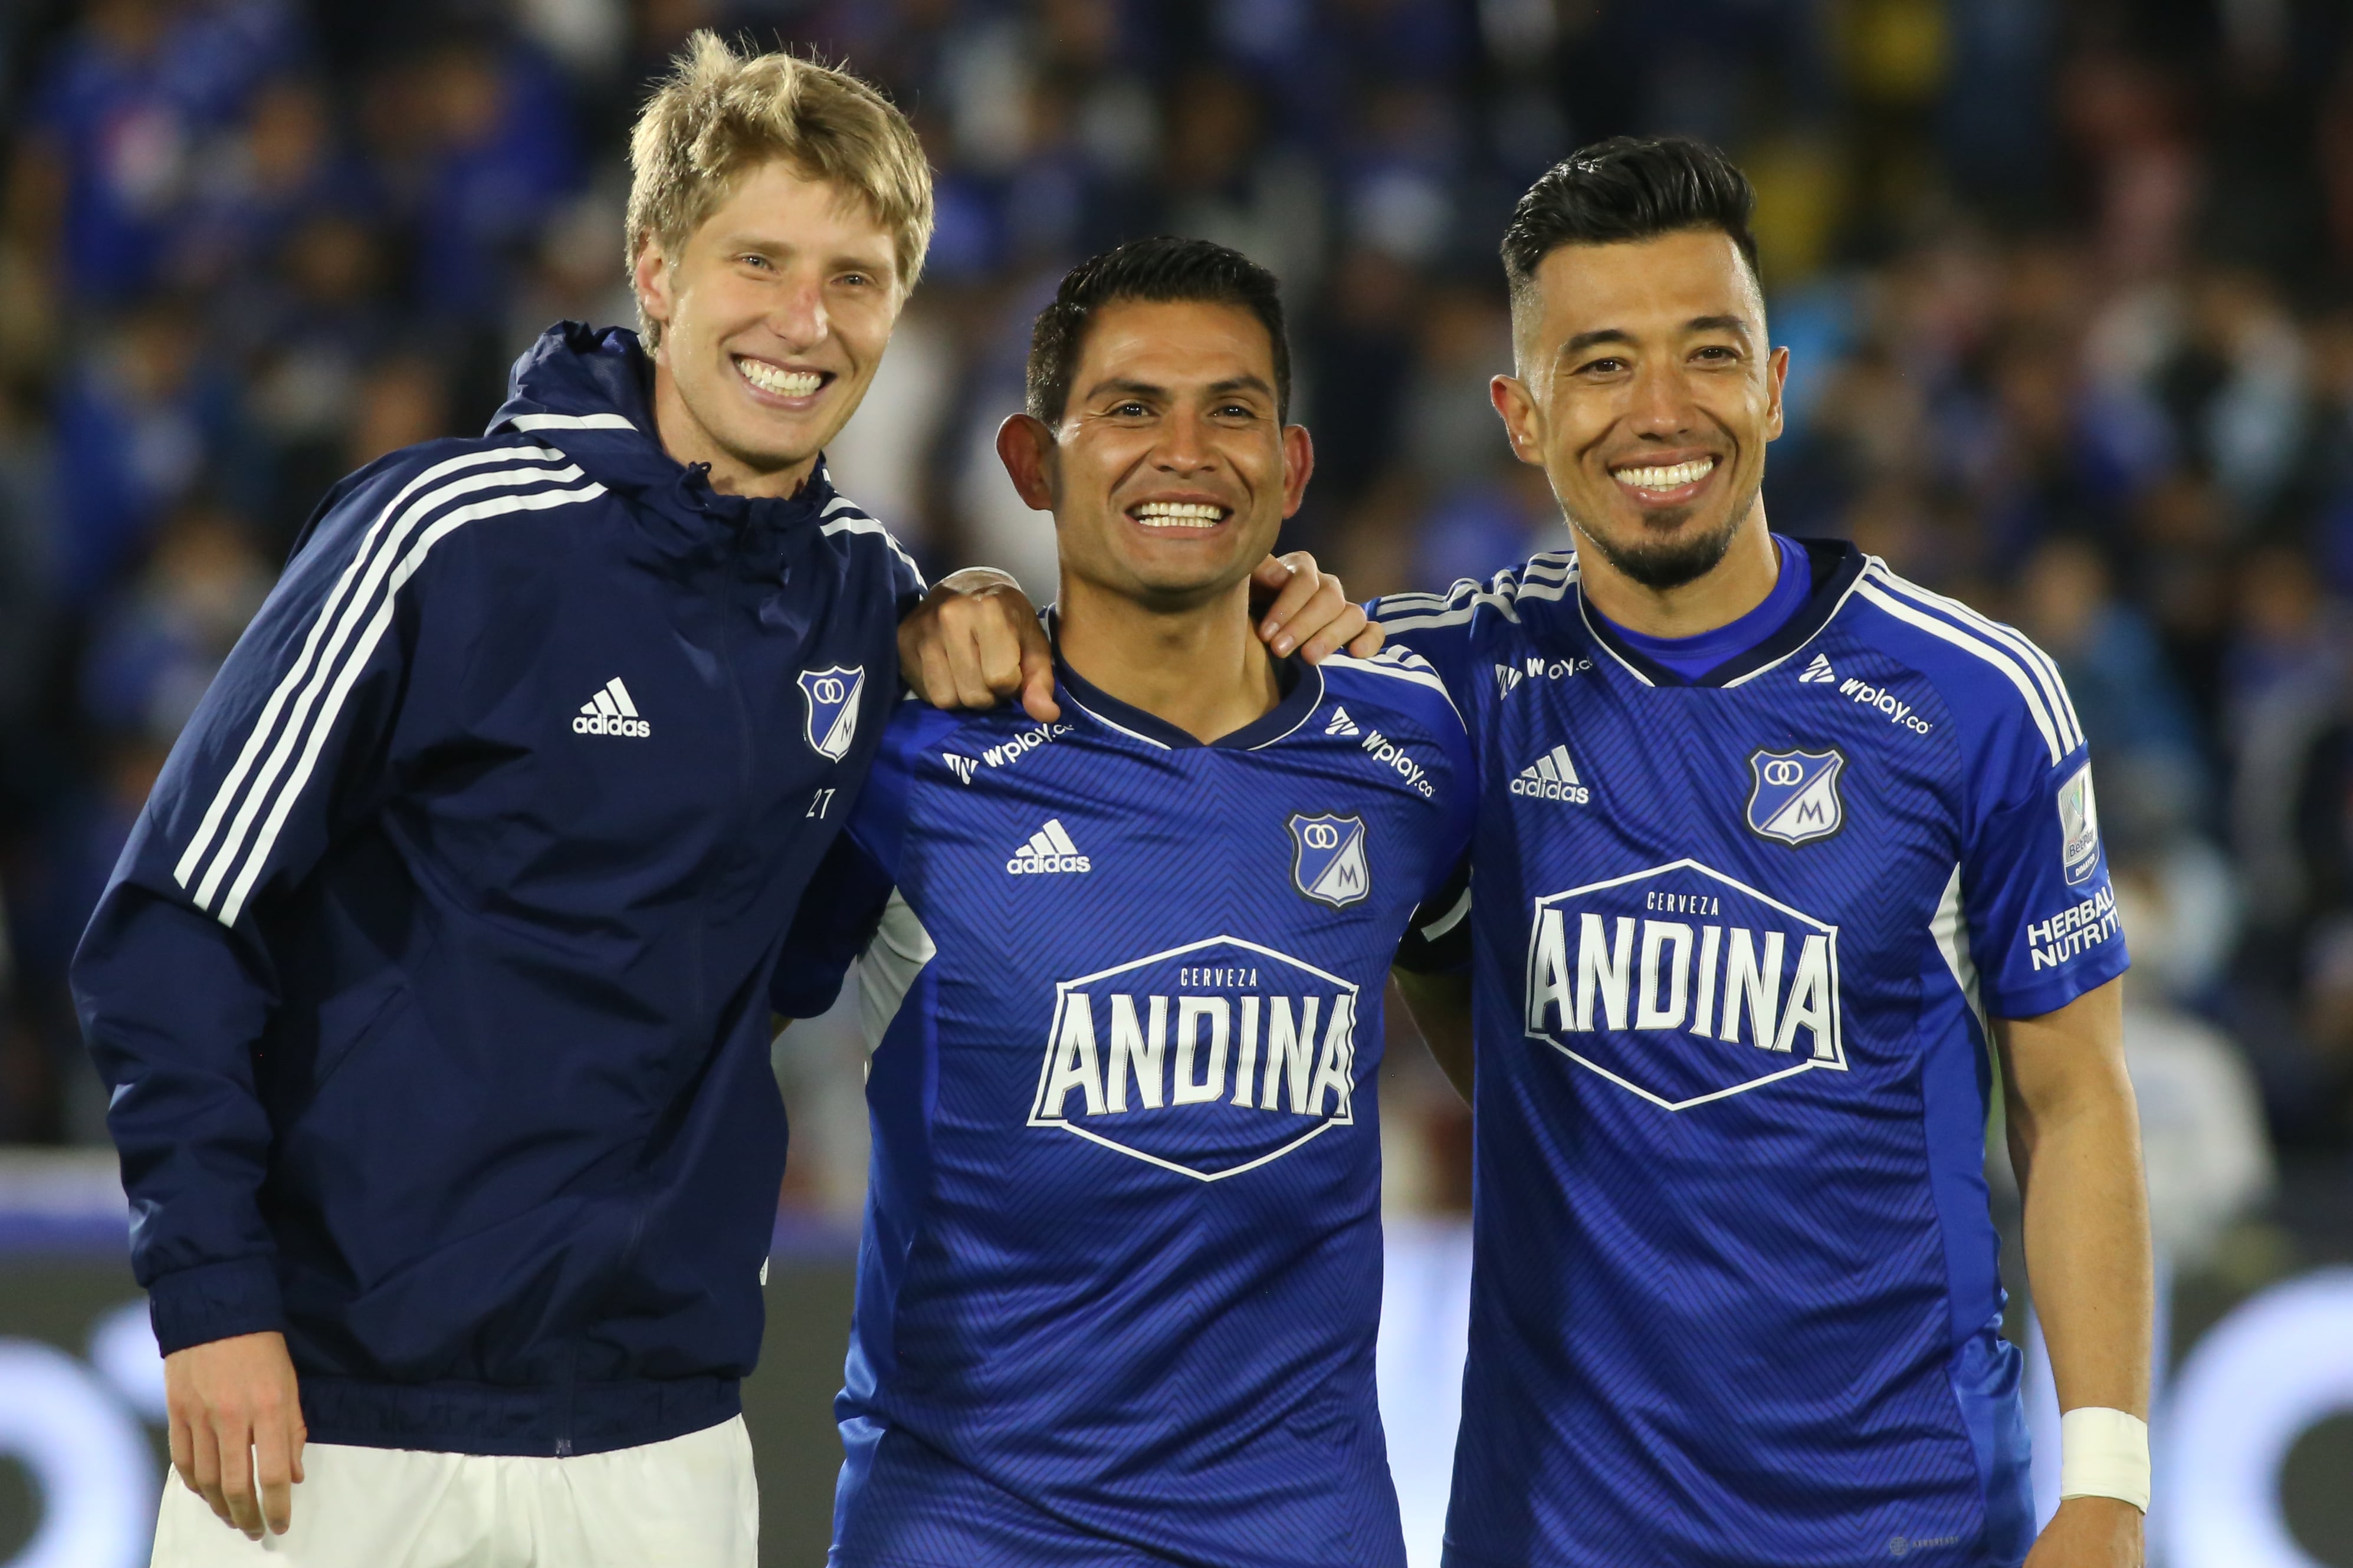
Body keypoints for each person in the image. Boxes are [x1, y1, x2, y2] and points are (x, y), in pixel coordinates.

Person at [70, 38, 1370, 1567]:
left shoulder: (863, 603)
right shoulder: (443, 536)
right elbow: (170, 928)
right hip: (334, 1418)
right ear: (655, 266)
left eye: (856, 277)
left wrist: (1108, 609)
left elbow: (806, 949)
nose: (802, 323)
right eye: (758, 260)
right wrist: (215, 1302)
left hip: (659, 1446)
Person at [1373, 139, 2154, 1568]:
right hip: (1555, 1535)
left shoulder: (1972, 700)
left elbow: (2075, 1098)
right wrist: (977, 600)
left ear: (1777, 387)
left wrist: (2105, 1482)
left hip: (1904, 1526)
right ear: (1520, 414)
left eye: (1709, 354)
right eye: (1600, 364)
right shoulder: (1437, 685)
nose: (1661, 411)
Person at [771, 236, 1472, 1568]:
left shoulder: (1413, 753)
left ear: (1292, 467)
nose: (1187, 451)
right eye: (1132, 409)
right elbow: (696, 1035)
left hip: (1306, 1536)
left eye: (1234, 411)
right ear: (1034, 462)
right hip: (971, 1532)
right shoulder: (908, 760)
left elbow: (1502, 1054)